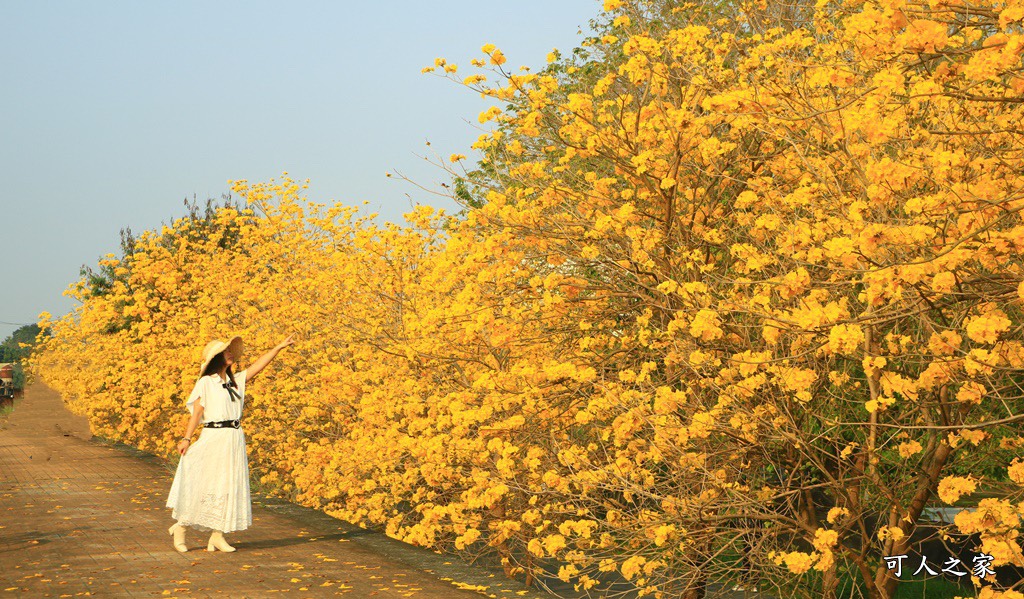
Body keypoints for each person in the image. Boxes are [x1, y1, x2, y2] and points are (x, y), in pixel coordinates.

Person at [165, 334, 294, 552]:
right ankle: (181, 527)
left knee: (228, 485)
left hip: (234, 438)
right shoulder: (206, 382)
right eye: (226, 352)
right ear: (216, 358)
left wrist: (278, 348)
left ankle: (217, 535)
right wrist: (187, 438)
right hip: (213, 436)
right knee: (205, 483)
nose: (231, 354)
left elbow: (259, 366)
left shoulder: (236, 382)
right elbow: (197, 412)